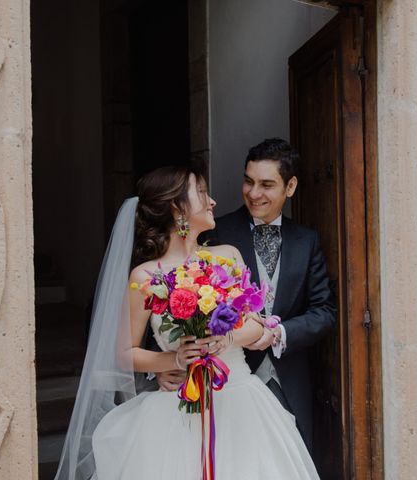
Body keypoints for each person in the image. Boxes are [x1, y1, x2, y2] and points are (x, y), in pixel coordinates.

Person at [54, 166, 319, 480]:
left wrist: (228, 339)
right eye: (203, 193)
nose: (213, 201)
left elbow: (256, 327)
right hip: (179, 407)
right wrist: (174, 358)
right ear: (178, 208)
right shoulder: (145, 277)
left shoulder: (227, 257)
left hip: (242, 402)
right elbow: (124, 352)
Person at [199, 138, 336, 453]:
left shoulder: (307, 241)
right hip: (227, 382)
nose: (253, 193)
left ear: (290, 187)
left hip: (290, 380)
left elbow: (324, 310)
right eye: (248, 181)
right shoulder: (214, 233)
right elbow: (181, 294)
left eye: (266, 184)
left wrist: (279, 333)